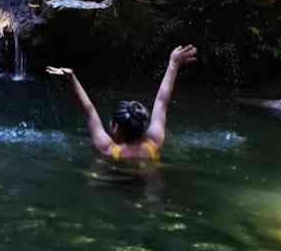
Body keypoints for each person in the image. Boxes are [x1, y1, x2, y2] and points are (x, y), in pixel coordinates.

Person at [47, 45, 198, 164]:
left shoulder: (108, 149)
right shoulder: (154, 143)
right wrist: (173, 64)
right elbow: (161, 102)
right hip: (147, 185)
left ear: (115, 128)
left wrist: (72, 77)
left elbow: (89, 110)